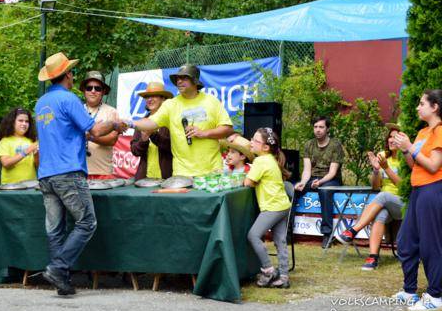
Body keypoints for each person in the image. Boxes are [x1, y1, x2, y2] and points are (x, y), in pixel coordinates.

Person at [34, 52, 127, 296]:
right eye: (72, 72)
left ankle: (61, 281)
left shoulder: (41, 103)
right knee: (87, 222)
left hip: (45, 174)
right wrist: (116, 125)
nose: (73, 76)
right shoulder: (69, 99)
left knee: (55, 229)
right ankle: (58, 267)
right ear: (67, 75)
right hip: (68, 172)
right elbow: (95, 129)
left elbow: (64, 133)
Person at [128, 64, 234, 177]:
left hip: (212, 171)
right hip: (181, 173)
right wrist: (127, 123)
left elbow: (228, 129)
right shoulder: (170, 104)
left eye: (184, 78)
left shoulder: (212, 101)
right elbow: (150, 123)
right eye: (177, 78)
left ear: (194, 81)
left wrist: (204, 133)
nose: (179, 81)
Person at [391, 89, 442, 311]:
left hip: (433, 190)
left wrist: (410, 147)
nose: (417, 107)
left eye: (422, 103)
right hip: (417, 189)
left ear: (435, 107)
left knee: (431, 244)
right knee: (406, 240)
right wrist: (404, 150)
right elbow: (416, 165)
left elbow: (433, 166)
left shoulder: (440, 131)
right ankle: (409, 290)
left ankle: (436, 295)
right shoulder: (422, 133)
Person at [335, 124, 403, 270]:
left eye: (395, 137)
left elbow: (403, 187)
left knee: (383, 196)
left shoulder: (407, 160)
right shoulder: (384, 156)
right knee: (380, 214)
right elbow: (375, 187)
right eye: (390, 137)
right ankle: (373, 258)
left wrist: (386, 168)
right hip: (386, 204)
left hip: (404, 204)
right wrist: (376, 171)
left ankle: (353, 230)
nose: (391, 140)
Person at [245, 128, 292, 288]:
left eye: (255, 141)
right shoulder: (271, 159)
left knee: (253, 235)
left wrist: (252, 177)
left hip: (272, 207)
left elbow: (248, 182)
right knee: (280, 240)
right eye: (252, 138)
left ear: (265, 147)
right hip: (283, 205)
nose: (251, 142)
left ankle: (268, 269)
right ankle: (284, 276)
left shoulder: (260, 161)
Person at [293, 116, 345, 248]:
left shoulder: (335, 145)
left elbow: (332, 172)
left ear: (327, 129)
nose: (318, 130)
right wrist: (303, 183)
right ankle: (288, 232)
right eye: (315, 127)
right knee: (294, 190)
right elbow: (306, 170)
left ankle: (327, 234)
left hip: (330, 179)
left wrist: (320, 182)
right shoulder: (309, 144)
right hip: (312, 178)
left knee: (324, 191)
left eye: (321, 127)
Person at [80, 71, 120, 179]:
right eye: (89, 88)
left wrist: (90, 137)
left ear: (103, 92)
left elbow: (112, 140)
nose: (93, 91)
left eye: (97, 88)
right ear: (84, 90)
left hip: (103, 172)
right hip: (78, 171)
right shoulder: (76, 111)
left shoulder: (112, 112)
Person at [130, 81, 173, 180]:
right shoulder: (142, 121)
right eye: (147, 96)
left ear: (163, 99)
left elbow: (173, 147)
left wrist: (153, 135)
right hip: (144, 179)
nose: (149, 99)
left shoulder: (171, 120)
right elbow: (135, 151)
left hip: (167, 179)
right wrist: (143, 141)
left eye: (154, 96)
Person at [0, 107, 38, 184]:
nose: (24, 124)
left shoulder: (31, 141)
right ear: (12, 122)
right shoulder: (5, 141)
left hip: (31, 186)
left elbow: (37, 165)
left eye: (27, 121)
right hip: (10, 188)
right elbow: (6, 163)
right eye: (20, 120)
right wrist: (27, 151)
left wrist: (36, 154)